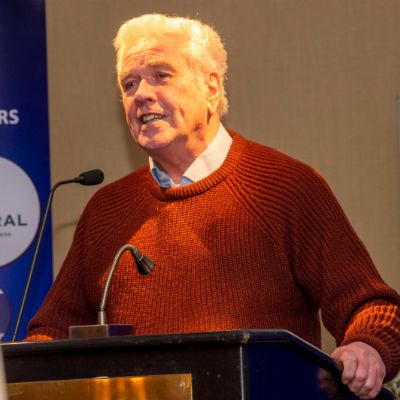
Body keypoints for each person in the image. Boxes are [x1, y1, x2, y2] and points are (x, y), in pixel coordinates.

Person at [26, 14, 399, 399]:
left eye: (161, 75)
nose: (141, 94)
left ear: (211, 86)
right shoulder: (105, 210)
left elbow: (373, 307)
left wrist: (366, 347)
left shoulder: (287, 187)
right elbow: (51, 333)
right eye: (129, 84)